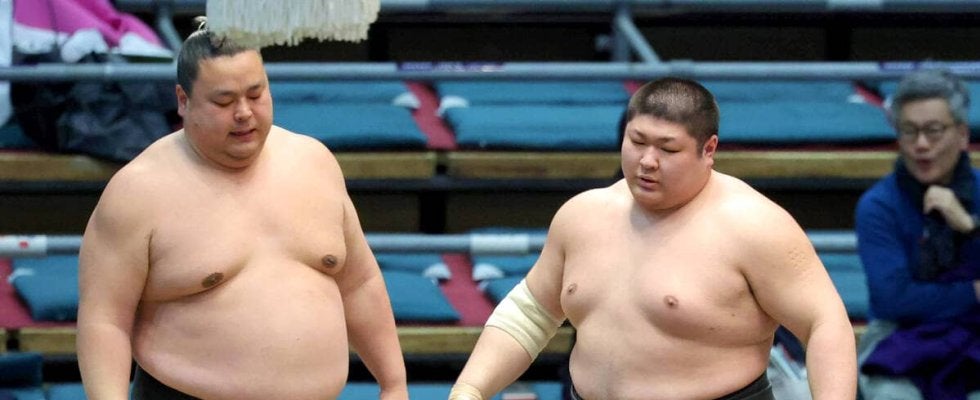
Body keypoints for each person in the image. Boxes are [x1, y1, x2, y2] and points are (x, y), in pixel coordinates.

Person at [450, 77, 857, 400]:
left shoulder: (754, 225)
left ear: (708, 149)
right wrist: (470, 389)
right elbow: (530, 313)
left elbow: (824, 323)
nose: (647, 161)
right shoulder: (583, 214)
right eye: (637, 141)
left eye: (668, 149)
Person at [75, 18, 408, 400]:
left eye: (256, 94)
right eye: (224, 101)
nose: (244, 112)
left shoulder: (314, 162)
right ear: (183, 100)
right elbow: (105, 320)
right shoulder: (138, 191)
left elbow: (359, 283)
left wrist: (393, 384)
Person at [855, 69, 980, 400]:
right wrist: (974, 291)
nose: (921, 144)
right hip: (898, 334)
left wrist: (969, 227)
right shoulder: (878, 205)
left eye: (934, 130)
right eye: (909, 131)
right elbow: (894, 300)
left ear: (962, 134)